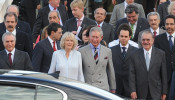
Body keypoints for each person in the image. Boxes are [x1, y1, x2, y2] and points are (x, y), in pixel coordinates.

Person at [129, 31, 167, 100]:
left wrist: (164, 92)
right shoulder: (134, 55)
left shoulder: (161, 54)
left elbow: (163, 74)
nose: (145, 42)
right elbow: (131, 74)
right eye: (143, 40)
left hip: (156, 92)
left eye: (148, 40)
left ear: (153, 40)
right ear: (141, 41)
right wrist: (132, 90)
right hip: (140, 92)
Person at [79, 26, 116, 93]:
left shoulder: (107, 51)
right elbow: (80, 71)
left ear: (101, 38)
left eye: (97, 37)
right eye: (93, 37)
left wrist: (113, 88)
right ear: (89, 37)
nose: (94, 39)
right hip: (88, 87)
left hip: (103, 88)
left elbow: (110, 70)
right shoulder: (81, 51)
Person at [111, 23, 137, 97]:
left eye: (126, 36)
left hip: (130, 87)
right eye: (121, 36)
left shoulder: (136, 51)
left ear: (129, 37)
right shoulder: (111, 50)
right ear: (118, 36)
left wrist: (134, 89)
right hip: (116, 87)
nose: (123, 38)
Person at [154, 15, 175, 99]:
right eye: (167, 24)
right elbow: (157, 57)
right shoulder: (158, 39)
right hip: (164, 75)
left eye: (171, 24)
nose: (169, 26)